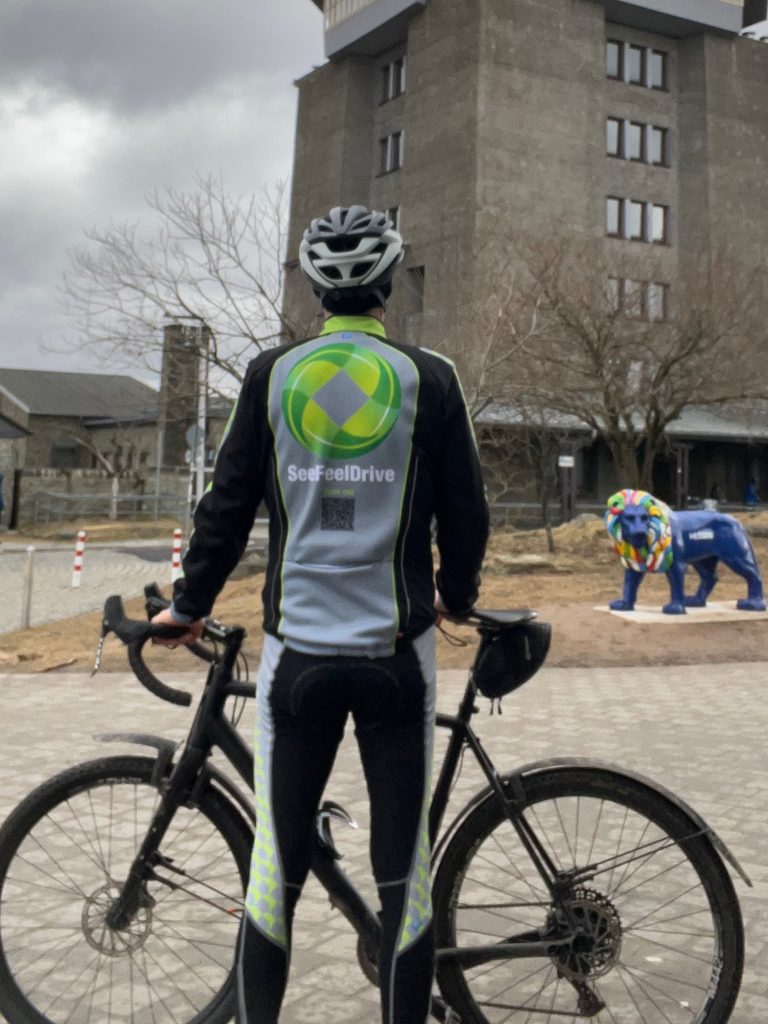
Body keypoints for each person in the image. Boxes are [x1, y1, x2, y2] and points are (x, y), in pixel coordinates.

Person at [151, 205, 489, 1024]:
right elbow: (467, 511)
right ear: (389, 284)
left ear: (313, 288)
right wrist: (458, 594)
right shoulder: (430, 376)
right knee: (403, 877)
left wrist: (190, 605)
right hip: (396, 659)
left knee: (275, 871)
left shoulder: (273, 374)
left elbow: (225, 506)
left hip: (295, 660)